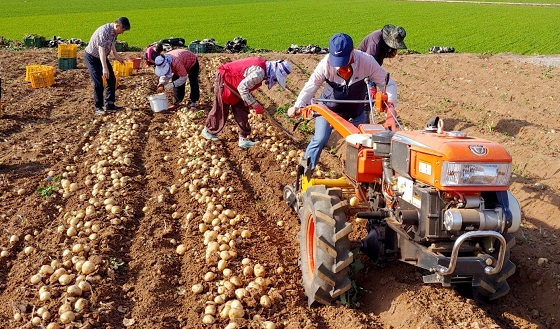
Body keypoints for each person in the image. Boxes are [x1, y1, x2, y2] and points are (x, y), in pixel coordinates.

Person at [287, 33, 398, 171]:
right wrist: (297, 106)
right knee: (320, 139)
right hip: (329, 109)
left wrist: (390, 110)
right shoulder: (325, 64)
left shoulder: (367, 62)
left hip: (356, 111)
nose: (339, 65)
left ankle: (362, 182)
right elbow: (311, 86)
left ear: (352, 51)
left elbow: (388, 84)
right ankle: (304, 173)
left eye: (343, 59)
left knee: (363, 144)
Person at [201, 57, 291, 149]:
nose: (275, 79)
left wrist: (250, 101)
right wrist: (255, 104)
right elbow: (242, 88)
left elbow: (242, 86)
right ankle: (208, 131)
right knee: (222, 108)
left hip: (236, 83)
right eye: (276, 77)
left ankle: (242, 139)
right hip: (226, 80)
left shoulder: (264, 67)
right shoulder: (259, 72)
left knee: (242, 109)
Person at [357, 24, 406, 122]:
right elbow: (368, 66)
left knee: (377, 91)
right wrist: (371, 86)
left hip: (373, 66)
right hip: (361, 67)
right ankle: (363, 120)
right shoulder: (374, 44)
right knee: (367, 94)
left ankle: (386, 112)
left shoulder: (386, 40)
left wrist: (389, 54)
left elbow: (378, 58)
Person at [84, 17, 130, 115]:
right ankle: (98, 107)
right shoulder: (104, 31)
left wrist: (116, 55)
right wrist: (104, 67)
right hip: (92, 57)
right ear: (117, 25)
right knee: (98, 83)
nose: (122, 32)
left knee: (111, 79)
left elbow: (111, 43)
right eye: (122, 30)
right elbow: (101, 50)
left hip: (102, 56)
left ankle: (109, 104)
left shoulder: (114, 32)